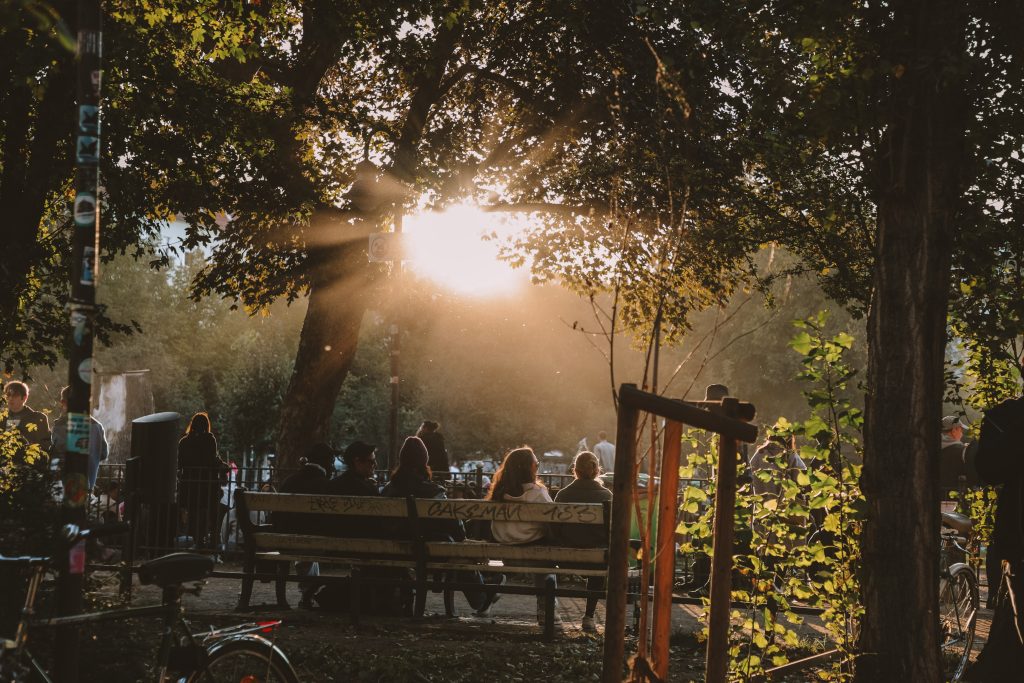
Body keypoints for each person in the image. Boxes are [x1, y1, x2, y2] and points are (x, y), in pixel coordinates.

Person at [382, 436, 501, 616]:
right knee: (457, 549)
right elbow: (455, 527)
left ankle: (484, 594)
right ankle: (481, 598)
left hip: (394, 547)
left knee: (454, 547)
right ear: (424, 462)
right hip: (430, 550)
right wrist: (461, 537)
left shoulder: (388, 490)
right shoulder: (433, 491)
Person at [488, 446, 556, 625]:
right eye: (537, 464)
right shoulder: (538, 492)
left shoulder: (499, 492)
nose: (538, 467)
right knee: (547, 554)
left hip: (502, 543)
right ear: (529, 468)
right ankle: (545, 607)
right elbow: (553, 519)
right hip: (531, 544)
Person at [552, 451, 612, 632]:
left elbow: (554, 528)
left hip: (564, 557)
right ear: (596, 470)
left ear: (575, 470)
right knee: (600, 557)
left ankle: (550, 611)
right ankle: (588, 616)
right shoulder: (607, 495)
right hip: (596, 558)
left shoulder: (562, 495)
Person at [278, 442, 335, 608]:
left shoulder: (289, 481)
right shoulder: (325, 484)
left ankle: (307, 593)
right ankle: (309, 593)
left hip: (283, 541)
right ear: (327, 463)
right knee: (312, 542)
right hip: (315, 542)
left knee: (306, 541)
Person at [177, 412, 228, 550]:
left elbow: (179, 463)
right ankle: (208, 540)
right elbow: (211, 459)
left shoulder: (184, 442)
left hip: (190, 483)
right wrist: (222, 465)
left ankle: (196, 540)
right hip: (207, 483)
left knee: (193, 511)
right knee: (209, 511)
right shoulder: (209, 440)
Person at [50, 386, 108, 490]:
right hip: (89, 482)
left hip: (66, 485)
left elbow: (59, 449)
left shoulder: (62, 424)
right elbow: (103, 454)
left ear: (63, 402)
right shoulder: (97, 425)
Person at [3, 381, 50, 448]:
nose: (10, 398)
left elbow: (45, 446)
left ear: (24, 397)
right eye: (8, 395)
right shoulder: (2, 418)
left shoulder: (38, 419)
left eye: (15, 395)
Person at [939, 415, 971, 509]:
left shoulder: (929, 447)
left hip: (930, 496)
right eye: (960, 430)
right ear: (954, 430)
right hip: (952, 501)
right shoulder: (961, 450)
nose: (962, 433)